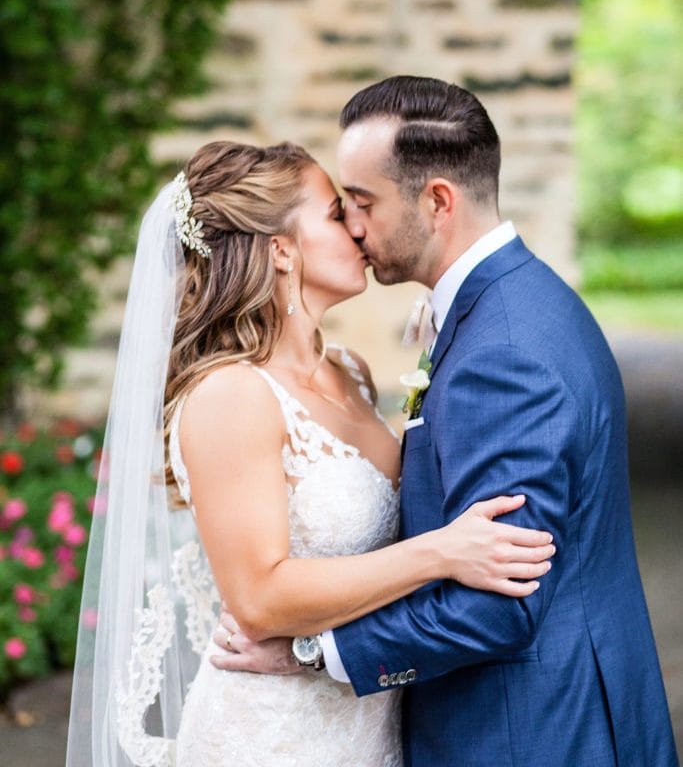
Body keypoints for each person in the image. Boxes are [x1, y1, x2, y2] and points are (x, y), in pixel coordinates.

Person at [213, 78, 679, 767]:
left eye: (363, 202)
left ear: (436, 201)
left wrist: (313, 651)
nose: (353, 224)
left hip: (527, 732)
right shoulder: (510, 303)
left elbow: (502, 604)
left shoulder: (503, 352)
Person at [65, 138, 555, 767]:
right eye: (334, 212)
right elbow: (260, 597)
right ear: (281, 250)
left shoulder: (349, 370)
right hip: (275, 735)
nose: (357, 227)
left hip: (368, 718)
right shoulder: (231, 394)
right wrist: (441, 553)